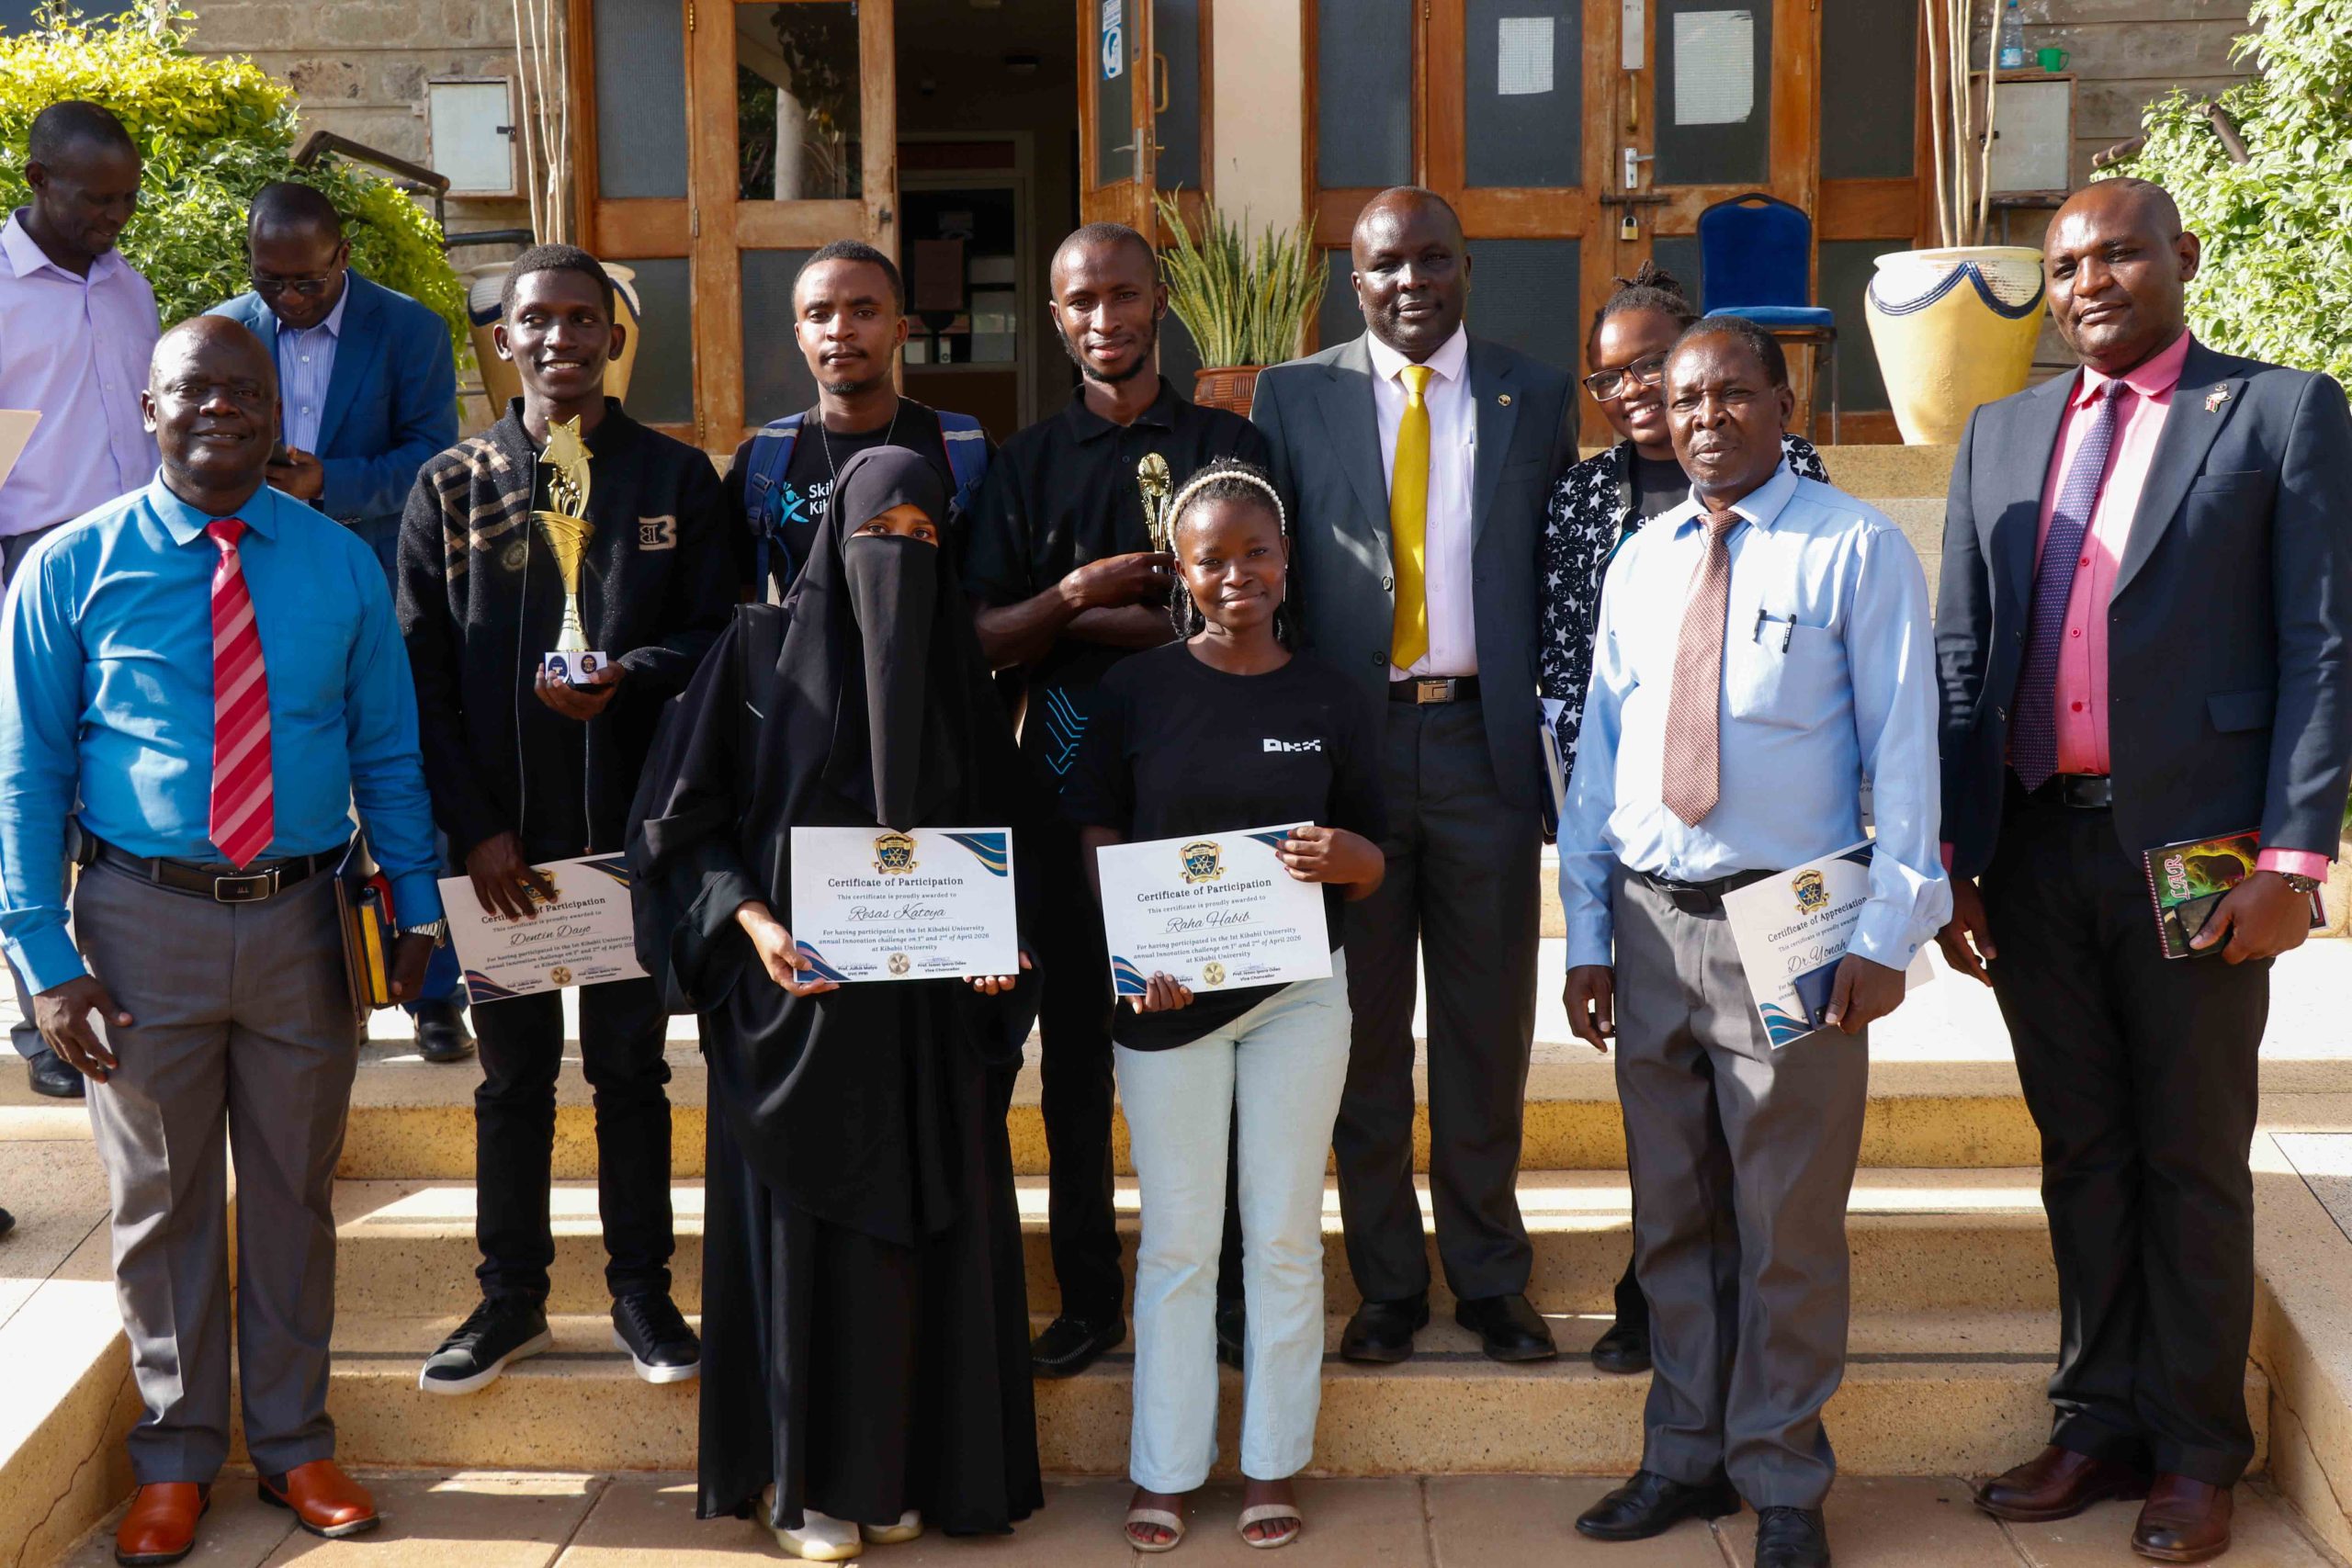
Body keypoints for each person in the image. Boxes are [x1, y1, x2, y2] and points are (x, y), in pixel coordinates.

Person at [1939, 179, 2352, 1565]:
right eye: (2065, 265)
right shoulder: (1999, 433)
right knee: (2082, 1151)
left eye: (2117, 255)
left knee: (2190, 1154)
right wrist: (1954, 857)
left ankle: (2194, 1449)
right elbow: (1961, 656)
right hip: (2034, 849)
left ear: (2181, 256)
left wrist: (2294, 859)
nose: (2088, 283)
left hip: (2201, 854)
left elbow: (2323, 644)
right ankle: (2096, 1421)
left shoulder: (2278, 412)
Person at [0, 315, 447, 1563]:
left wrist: (416, 904)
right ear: (149, 407)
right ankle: (176, 1456)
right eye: (192, 389)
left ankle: (297, 1442)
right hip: (140, 925)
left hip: (307, 920)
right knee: (162, 1200)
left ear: (276, 411)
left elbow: (386, 749)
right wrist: (42, 958)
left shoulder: (338, 564)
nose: (221, 409)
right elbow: (24, 776)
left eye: (244, 391)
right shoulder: (70, 566)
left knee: (296, 1192)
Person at [1557, 316, 1948, 1568]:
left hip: (1793, 923)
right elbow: (1600, 762)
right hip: (1650, 922)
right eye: (1683, 399)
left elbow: (1905, 755)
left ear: (1786, 402)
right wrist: (1584, 930)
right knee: (1672, 1213)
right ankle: (1683, 1453)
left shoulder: (1854, 547)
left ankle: (1783, 1476)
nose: (1705, 417)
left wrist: (1887, 933)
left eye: (1732, 392)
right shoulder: (1638, 561)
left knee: (1785, 1219)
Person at [630, 447, 1043, 1562]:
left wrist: (1000, 946)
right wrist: (756, 927)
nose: (898, 555)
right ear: (832, 535)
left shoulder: (959, 673)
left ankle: (901, 1472)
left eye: (922, 537)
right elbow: (682, 825)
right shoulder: (755, 654)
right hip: (795, 1019)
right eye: (878, 532)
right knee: (804, 1243)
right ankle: (801, 1484)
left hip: (924, 1030)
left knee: (916, 1247)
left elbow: (1006, 843)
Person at [399, 243, 735, 1397]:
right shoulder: (451, 485)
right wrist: (474, 830)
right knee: (512, 1082)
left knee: (632, 1073)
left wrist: (631, 673)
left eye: (582, 319)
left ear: (613, 337)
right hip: (504, 853)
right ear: (504, 340)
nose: (560, 339)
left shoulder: (677, 479)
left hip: (632, 846)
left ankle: (643, 1292)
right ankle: (511, 1299)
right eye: (536, 320)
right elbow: (419, 678)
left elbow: (721, 638)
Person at [1250, 186, 1574, 1365]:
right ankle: (1387, 1279)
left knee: (1486, 1030)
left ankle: (1489, 1277)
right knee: (1363, 1032)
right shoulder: (1295, 395)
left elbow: (1554, 574)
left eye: (1433, 260)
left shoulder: (1535, 394)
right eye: (1387, 265)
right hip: (1355, 757)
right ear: (1355, 280)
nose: (1411, 283)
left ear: (1466, 267)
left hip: (1485, 749)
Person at [963, 221, 1272, 1378]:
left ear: (1159, 304)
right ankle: (1089, 1295)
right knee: (1078, 1066)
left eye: (1125, 295)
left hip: (1208, 794)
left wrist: (1091, 625)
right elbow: (986, 636)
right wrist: (1076, 597)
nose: (1106, 318)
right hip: (1062, 797)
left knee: (1219, 1045)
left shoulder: (1228, 444)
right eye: (1081, 301)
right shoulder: (1026, 464)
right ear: (1056, 318)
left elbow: (1247, 607)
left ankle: (1229, 1292)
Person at [1064, 460, 1386, 1552]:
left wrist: (1349, 858)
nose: (1237, 573)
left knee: (1284, 1237)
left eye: (1256, 553)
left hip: (1298, 996)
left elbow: (1379, 853)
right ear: (1182, 573)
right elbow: (1095, 827)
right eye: (1212, 559)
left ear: (1287, 561)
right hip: (1166, 1002)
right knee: (1179, 1243)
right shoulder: (1136, 691)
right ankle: (1163, 1470)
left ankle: (1270, 1463)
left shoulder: (1334, 695)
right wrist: (1134, 947)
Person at [1540, 264, 1828, 1378]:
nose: (1635, 391)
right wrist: (1590, 873)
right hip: (1641, 844)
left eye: (1651, 364)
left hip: (1774, 875)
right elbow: (1579, 681)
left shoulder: (1805, 495)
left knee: (1768, 1149)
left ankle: (1761, 1368)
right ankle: (1658, 1319)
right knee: (1665, 1137)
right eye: (1608, 376)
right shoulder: (1584, 501)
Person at [209, 180, 473, 1065]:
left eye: (307, 281)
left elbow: (433, 456)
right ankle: (332, 991)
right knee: (296, 781)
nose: (287, 298)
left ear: (343, 257)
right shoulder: (225, 330)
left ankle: (435, 991)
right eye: (269, 279)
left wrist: (330, 481)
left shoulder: (409, 330)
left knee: (408, 779)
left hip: (383, 580)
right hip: (257, 587)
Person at [0, 100, 159, 1103]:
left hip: (137, 567)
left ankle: (130, 994)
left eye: (126, 200)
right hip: (25, 565)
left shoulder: (131, 286)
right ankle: (40, 1017)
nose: (113, 218)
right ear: (37, 180)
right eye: (97, 200)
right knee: (33, 787)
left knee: (121, 775)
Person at [729, 239, 989, 602]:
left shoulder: (964, 449)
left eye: (864, 312)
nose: (839, 330)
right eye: (819, 315)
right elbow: (734, 599)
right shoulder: (760, 463)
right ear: (800, 336)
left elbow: (993, 596)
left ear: (900, 331)